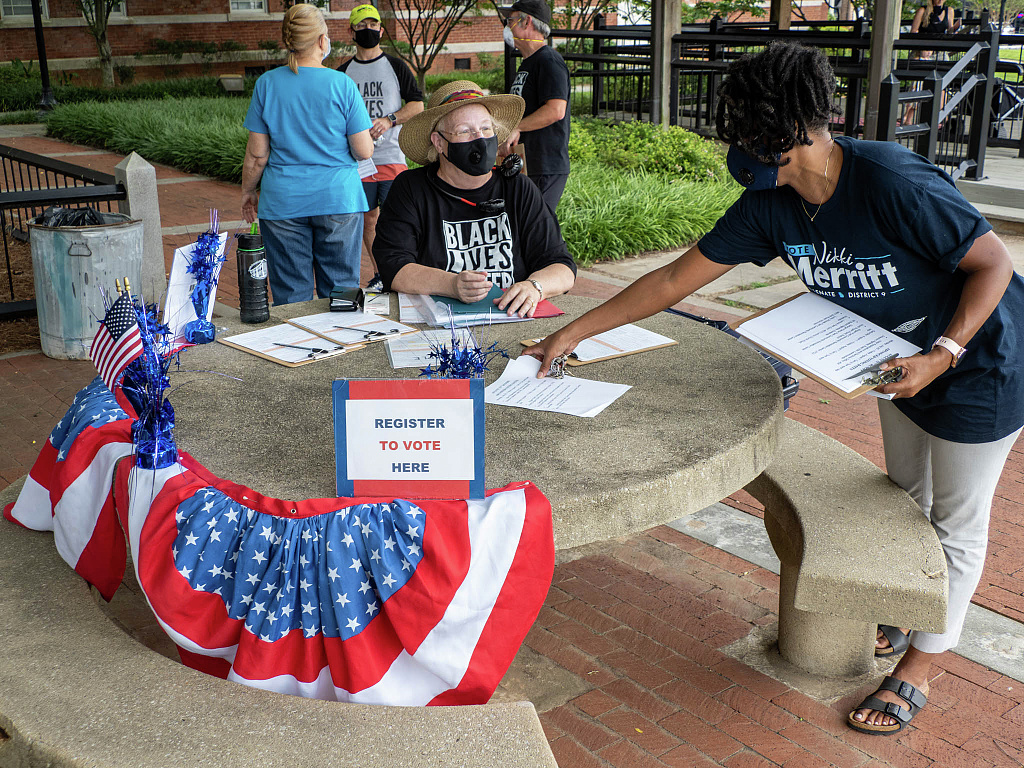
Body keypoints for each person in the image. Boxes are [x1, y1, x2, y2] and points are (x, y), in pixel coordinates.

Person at [525, 42, 1024, 736]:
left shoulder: (891, 181)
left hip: (978, 360)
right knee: (908, 497)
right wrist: (573, 333)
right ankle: (907, 599)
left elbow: (992, 262)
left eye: (768, 148)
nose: (757, 165)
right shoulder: (768, 201)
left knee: (957, 525)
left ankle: (919, 669)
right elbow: (674, 280)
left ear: (801, 132)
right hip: (889, 361)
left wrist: (942, 355)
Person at [373, 80, 576, 317]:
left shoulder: (518, 187)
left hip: (511, 321)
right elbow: (392, 265)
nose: (479, 138)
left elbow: (562, 267)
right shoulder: (411, 188)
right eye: (464, 131)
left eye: (486, 129)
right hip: (436, 326)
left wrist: (535, 287)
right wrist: (451, 284)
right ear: (439, 143)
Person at [241, 2, 374, 305]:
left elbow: (257, 155)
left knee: (291, 298)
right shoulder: (342, 84)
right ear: (320, 41)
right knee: (341, 293)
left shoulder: (266, 84)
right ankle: (342, 349)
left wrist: (248, 191)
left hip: (283, 201)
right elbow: (364, 149)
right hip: (338, 199)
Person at [337, 3, 424, 293]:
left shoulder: (396, 66)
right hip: (357, 162)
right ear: (351, 31)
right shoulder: (342, 73)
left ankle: (404, 272)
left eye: (373, 25)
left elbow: (418, 105)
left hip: (392, 157)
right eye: (361, 26)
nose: (368, 30)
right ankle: (380, 274)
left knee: (397, 218)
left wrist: (390, 120)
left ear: (381, 30)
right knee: (369, 218)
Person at [498, 0, 571, 216]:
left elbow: (556, 110)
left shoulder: (549, 61)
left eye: (510, 20)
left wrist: (516, 128)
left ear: (527, 21)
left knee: (539, 232)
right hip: (524, 163)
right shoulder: (528, 63)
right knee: (525, 230)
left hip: (545, 166)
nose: (507, 26)